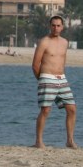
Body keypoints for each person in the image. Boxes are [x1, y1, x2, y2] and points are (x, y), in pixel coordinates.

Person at [31, 15, 77, 148]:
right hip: (47, 78)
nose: (55, 28)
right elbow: (35, 64)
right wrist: (42, 80)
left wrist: (61, 75)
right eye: (53, 25)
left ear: (62, 27)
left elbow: (62, 60)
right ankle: (39, 141)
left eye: (58, 26)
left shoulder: (65, 42)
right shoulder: (44, 42)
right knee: (45, 110)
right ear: (49, 26)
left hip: (61, 78)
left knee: (72, 109)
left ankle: (70, 140)